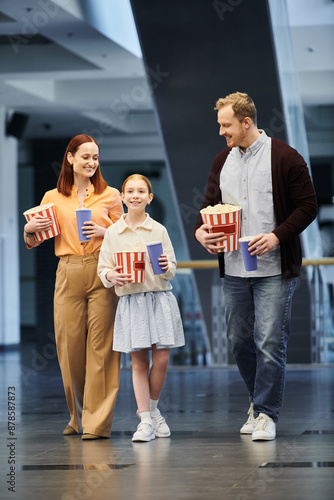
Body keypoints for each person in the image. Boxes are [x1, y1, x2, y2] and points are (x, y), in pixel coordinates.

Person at [194, 92, 317, 441]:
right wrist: (201, 232)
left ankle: (266, 414)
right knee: (239, 342)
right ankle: (257, 402)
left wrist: (277, 236)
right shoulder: (222, 161)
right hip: (234, 270)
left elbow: (307, 207)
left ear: (246, 122)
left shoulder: (286, 158)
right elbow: (207, 207)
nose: (221, 132)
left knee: (269, 341)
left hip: (275, 270)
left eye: (226, 125)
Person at [24, 134, 123, 440]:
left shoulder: (110, 195)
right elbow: (35, 239)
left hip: (101, 269)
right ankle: (78, 417)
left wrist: (106, 231)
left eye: (95, 157)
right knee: (69, 347)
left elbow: (128, 236)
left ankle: (97, 423)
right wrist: (29, 230)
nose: (92, 163)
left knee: (102, 348)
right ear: (70, 159)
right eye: (85, 157)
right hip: (66, 269)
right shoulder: (52, 198)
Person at [98, 174, 185, 442]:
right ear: (122, 197)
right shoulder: (113, 232)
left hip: (159, 299)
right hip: (131, 301)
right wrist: (112, 276)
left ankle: (154, 410)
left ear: (150, 197)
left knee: (162, 359)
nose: (135, 195)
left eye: (141, 191)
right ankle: (145, 420)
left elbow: (171, 269)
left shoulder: (158, 230)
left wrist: (163, 265)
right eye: (130, 191)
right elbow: (103, 269)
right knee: (138, 362)